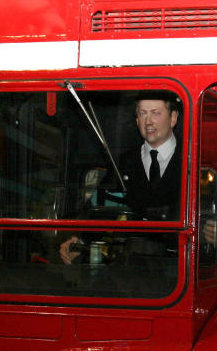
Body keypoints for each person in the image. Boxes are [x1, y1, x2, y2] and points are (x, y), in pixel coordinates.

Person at [58, 92, 183, 263]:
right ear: (137, 120)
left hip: (178, 270)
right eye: (142, 113)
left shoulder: (191, 160)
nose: (148, 121)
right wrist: (79, 240)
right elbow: (100, 206)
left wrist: (212, 233)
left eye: (156, 113)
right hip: (128, 270)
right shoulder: (123, 164)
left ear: (173, 118)